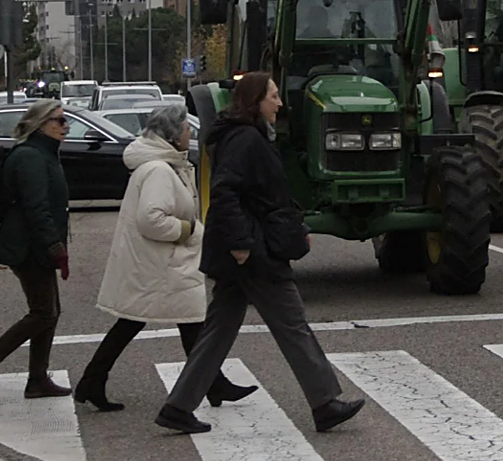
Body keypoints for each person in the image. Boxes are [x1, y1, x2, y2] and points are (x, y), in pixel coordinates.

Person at [155, 72, 363, 434]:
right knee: (292, 323)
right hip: (252, 252)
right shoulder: (246, 139)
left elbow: (264, 195)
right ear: (255, 101)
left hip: (246, 249)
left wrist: (294, 230)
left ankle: (178, 406)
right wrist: (241, 244)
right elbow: (224, 193)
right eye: (274, 96)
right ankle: (325, 402)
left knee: (218, 331)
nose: (280, 103)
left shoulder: (245, 136)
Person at [75, 105, 257, 412]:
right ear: (172, 135)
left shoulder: (163, 164)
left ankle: (94, 381)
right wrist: (188, 230)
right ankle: (212, 384)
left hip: (157, 262)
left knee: (151, 322)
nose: (190, 133)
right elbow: (151, 219)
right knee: (184, 320)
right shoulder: (159, 170)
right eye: (187, 128)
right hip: (161, 263)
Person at [0, 100, 73, 399]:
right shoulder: (30, 157)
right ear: (41, 124)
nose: (65, 126)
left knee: (49, 311)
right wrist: (54, 246)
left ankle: (37, 380)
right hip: (28, 246)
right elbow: (35, 207)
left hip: (35, 244)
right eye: (59, 121)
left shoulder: (43, 153)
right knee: (43, 312)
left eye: (65, 121)